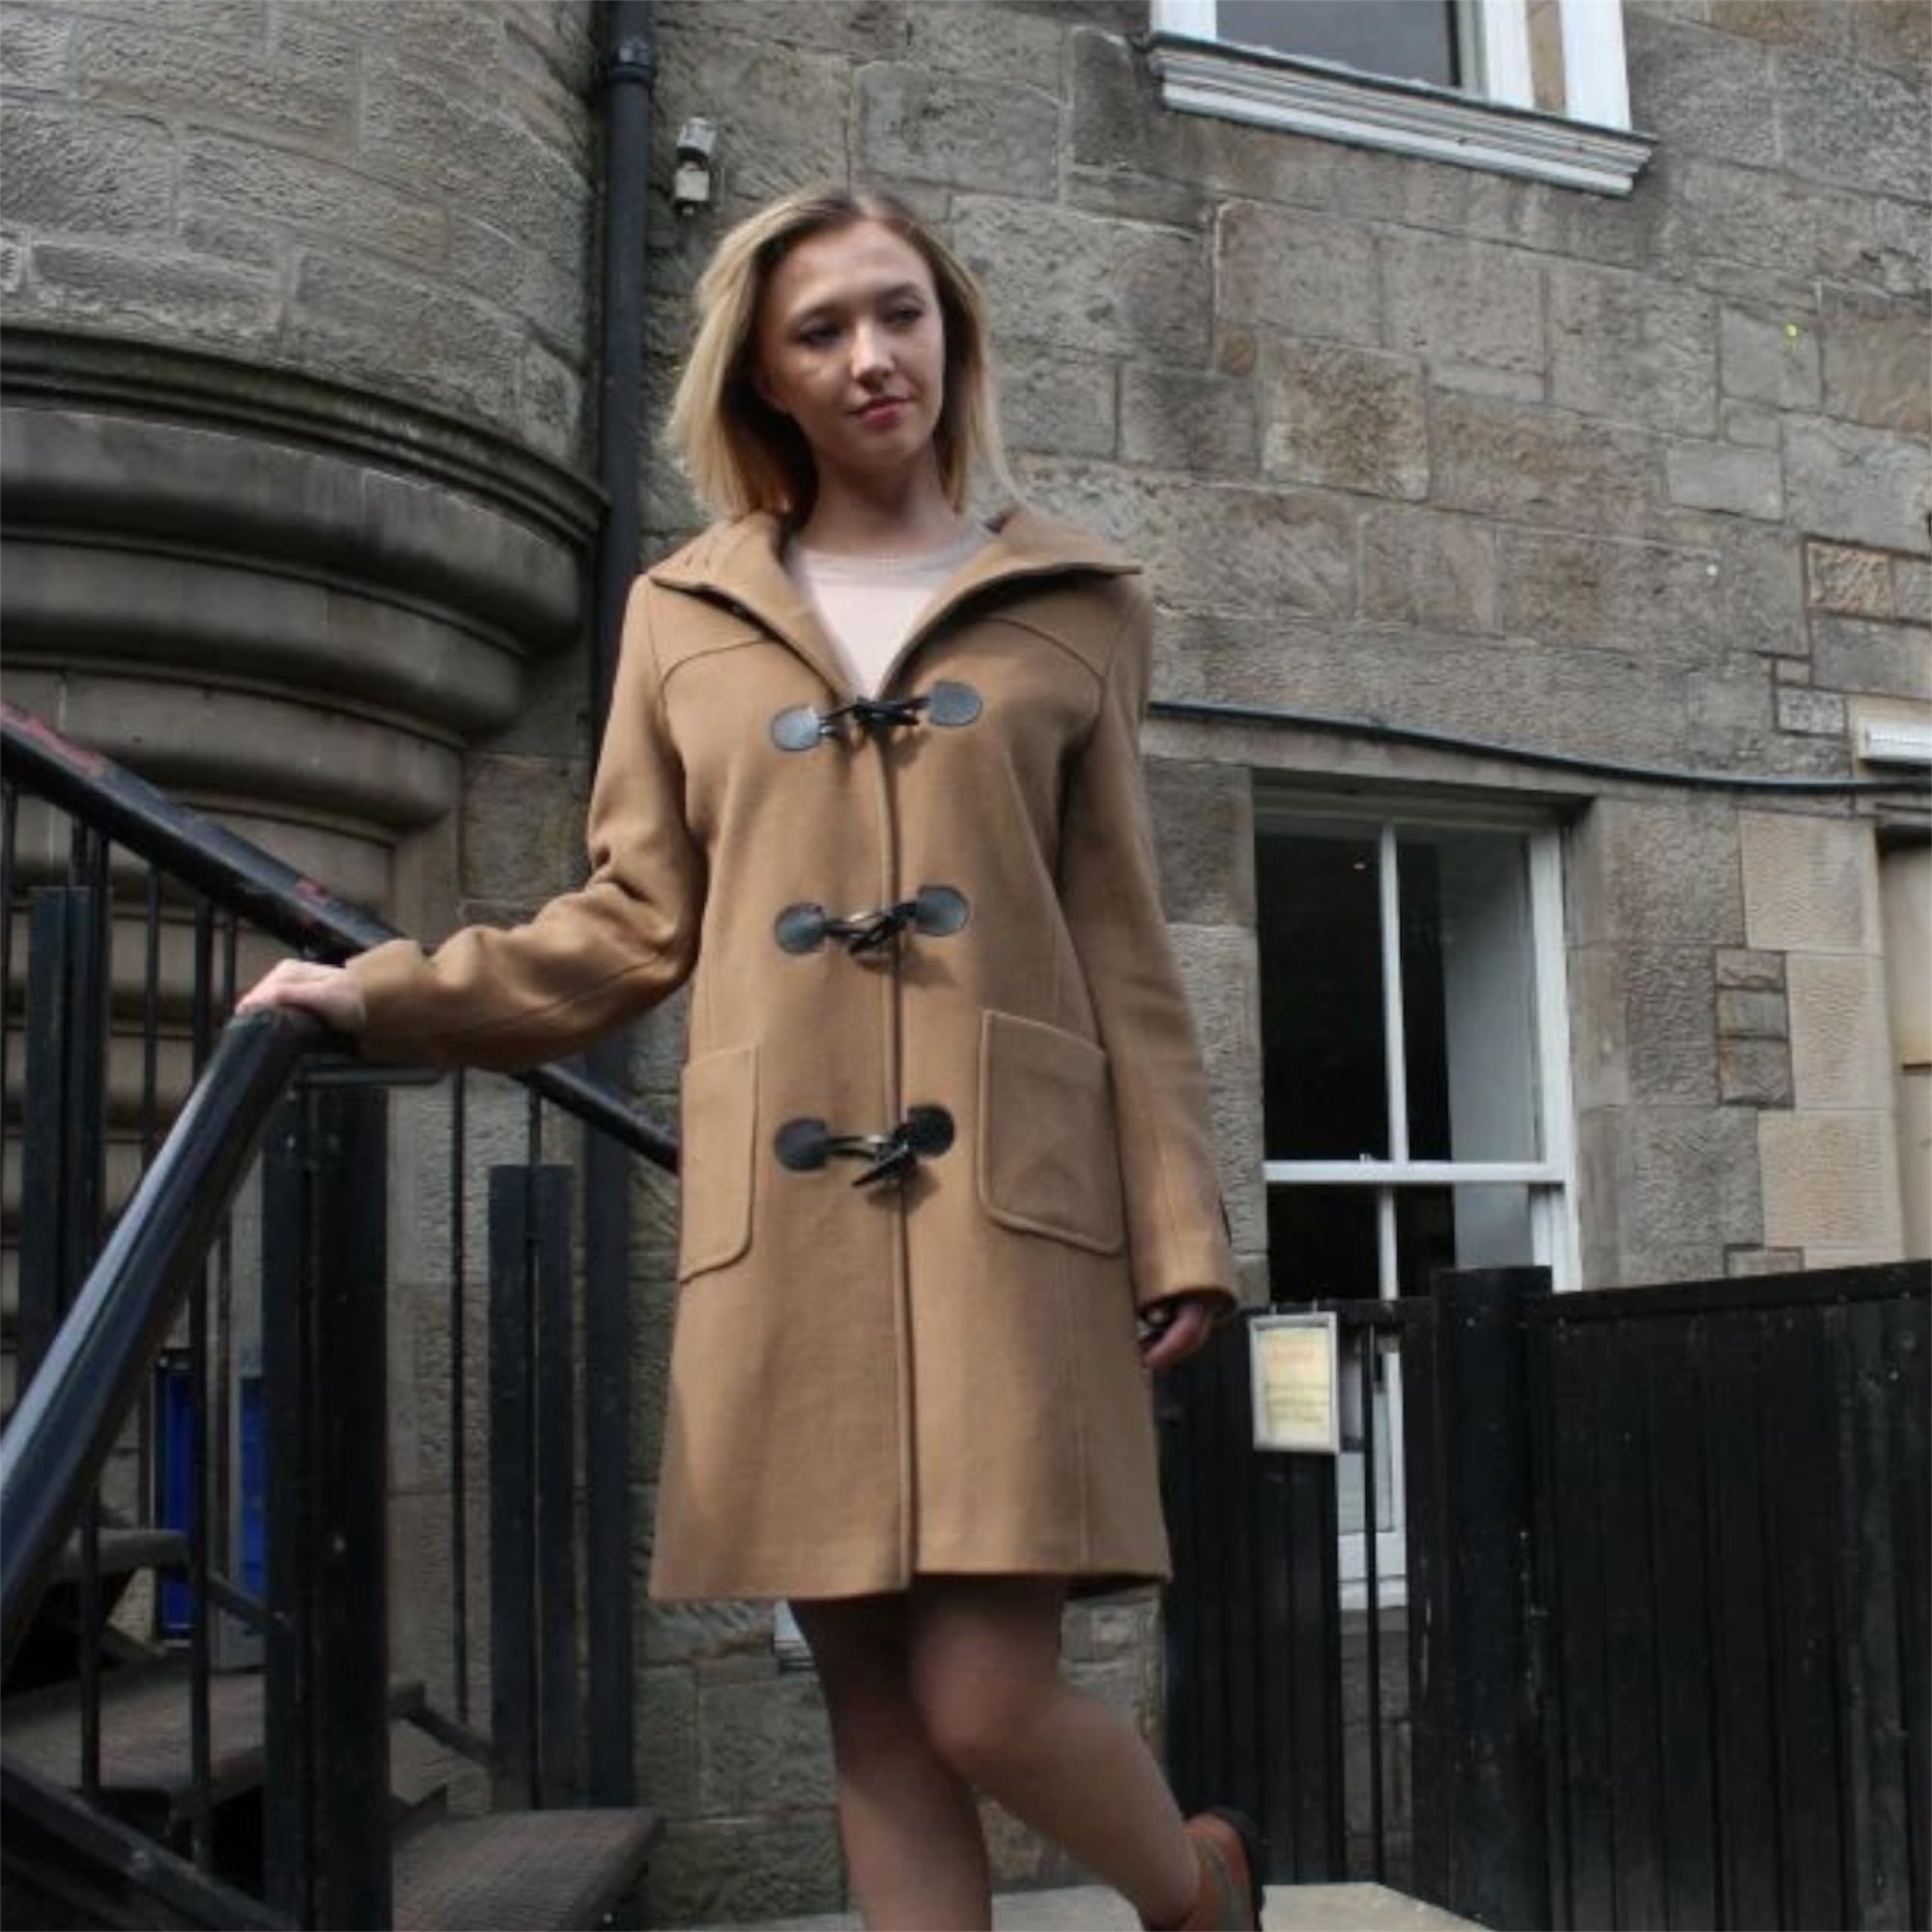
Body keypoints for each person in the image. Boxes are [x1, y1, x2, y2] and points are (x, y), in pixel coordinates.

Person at [240, 183, 1262, 1932]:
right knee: (875, 1718)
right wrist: (386, 990)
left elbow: (1120, 947)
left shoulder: (1083, 600)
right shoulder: (681, 613)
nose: (875, 358)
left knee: (985, 1699)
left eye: (902, 313)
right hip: (789, 1229)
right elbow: (634, 920)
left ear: (952, 330)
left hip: (1014, 1217)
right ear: (766, 377)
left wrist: (1179, 1224)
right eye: (823, 331)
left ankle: (1192, 1893)